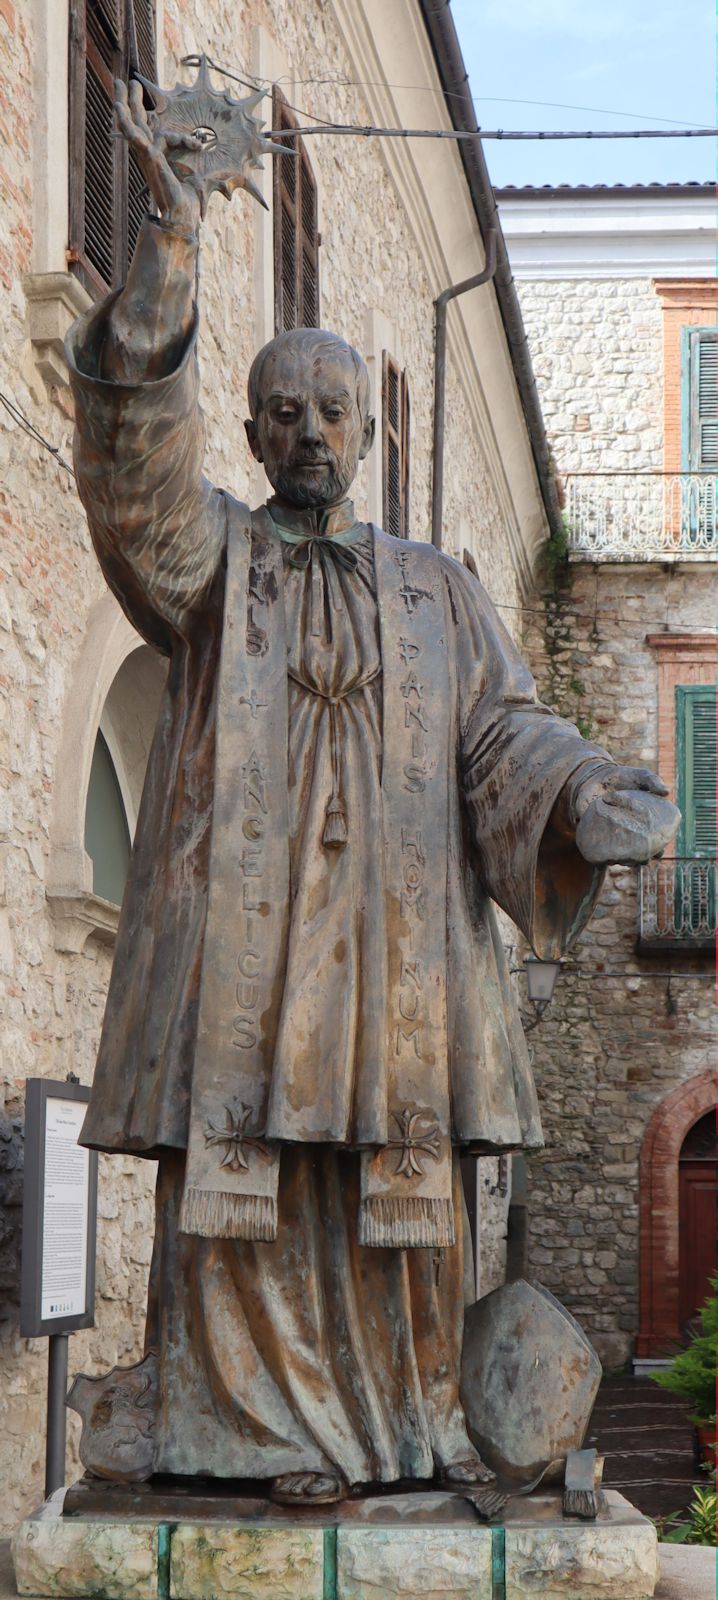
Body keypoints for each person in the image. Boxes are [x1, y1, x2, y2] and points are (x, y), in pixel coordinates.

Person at [65, 81, 677, 1505]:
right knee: (246, 1202)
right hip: (251, 954)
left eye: (335, 409)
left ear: (369, 432)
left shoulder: (441, 590)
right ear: (257, 432)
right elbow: (131, 483)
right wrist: (166, 238)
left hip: (396, 964)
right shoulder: (214, 564)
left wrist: (582, 792)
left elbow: (503, 738)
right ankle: (230, 1429)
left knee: (396, 1213)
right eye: (283, 413)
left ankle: (398, 1436)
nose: (311, 433)